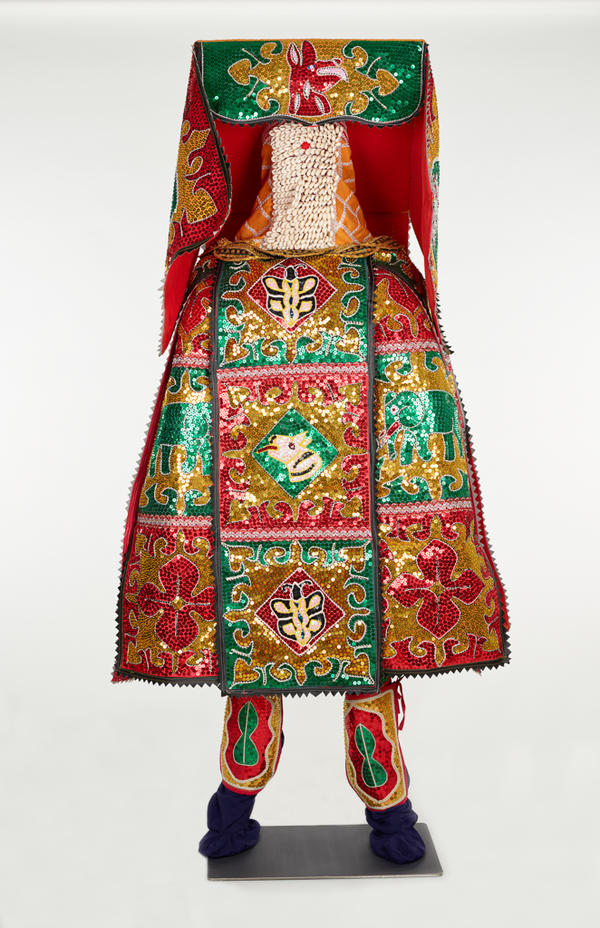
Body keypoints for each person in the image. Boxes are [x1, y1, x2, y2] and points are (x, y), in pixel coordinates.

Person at [113, 40, 510, 865]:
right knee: (337, 660)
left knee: (277, 654)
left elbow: (417, 428)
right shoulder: (384, 294)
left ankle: (292, 809)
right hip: (335, 539)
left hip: (279, 541)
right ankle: (364, 813)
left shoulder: (254, 298)